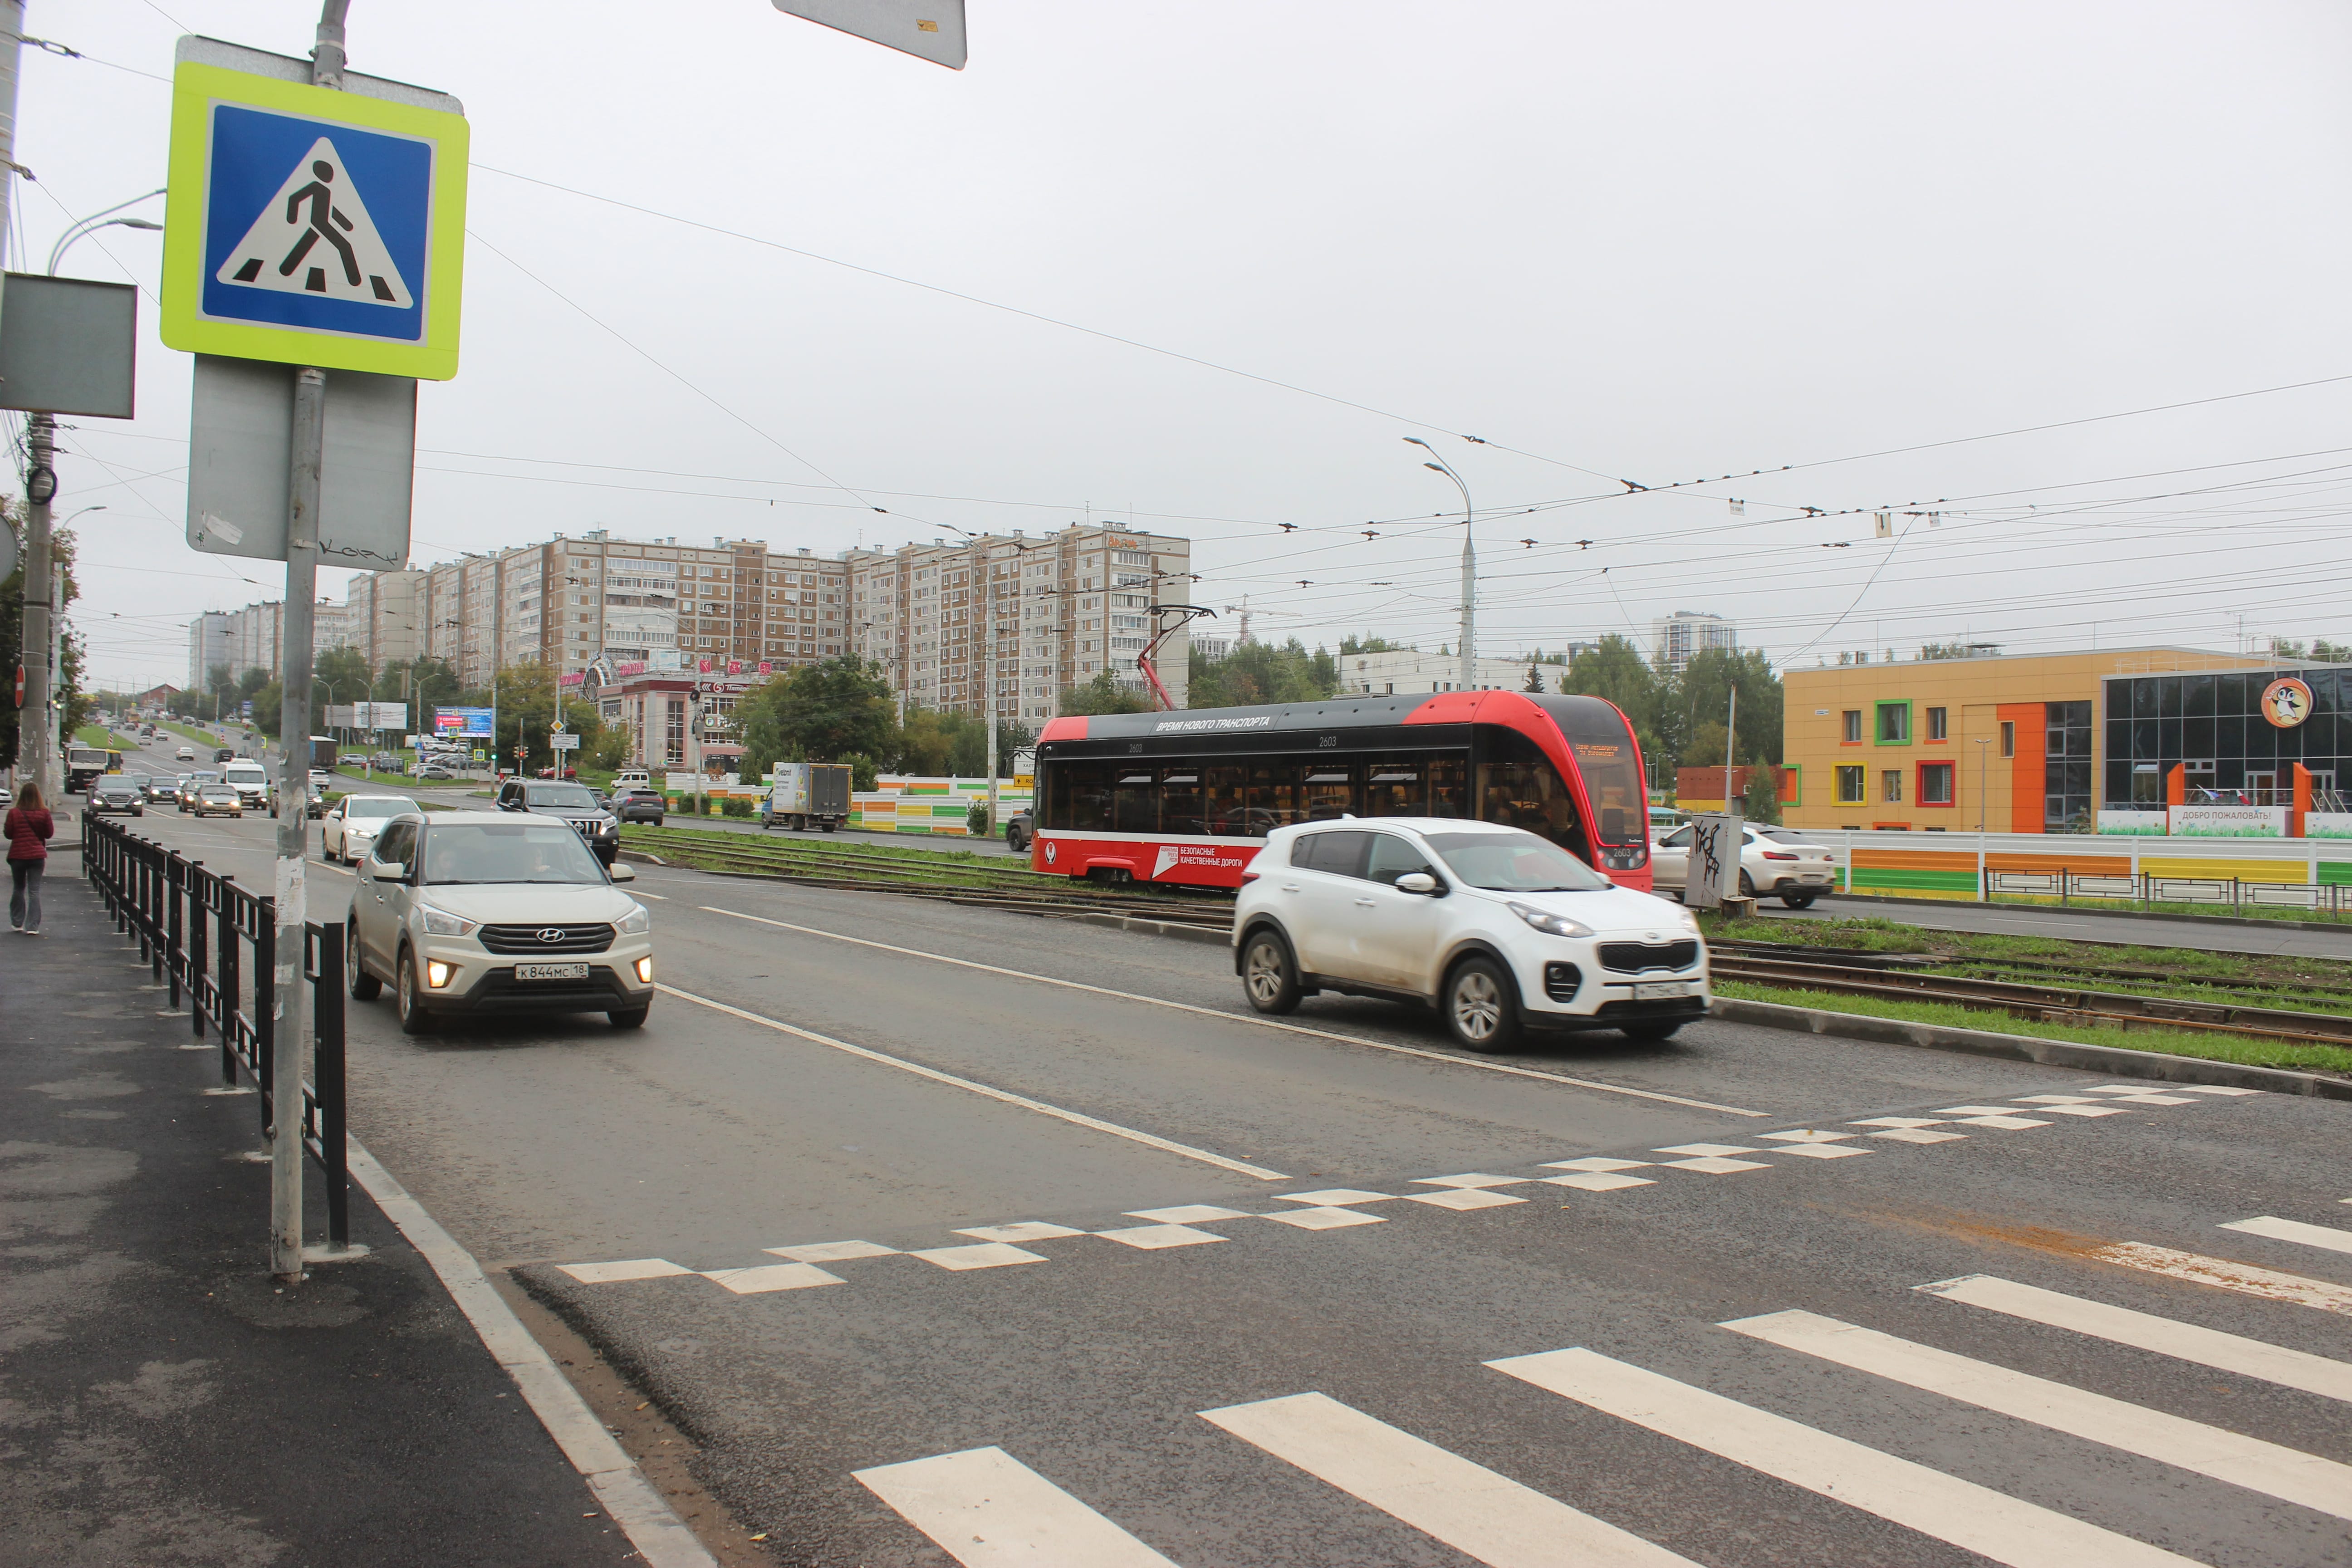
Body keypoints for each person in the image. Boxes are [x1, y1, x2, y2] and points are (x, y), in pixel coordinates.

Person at [6, 781, 54, 935]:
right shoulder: (44, 813)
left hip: (18, 856)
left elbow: (9, 834)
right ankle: (33, 926)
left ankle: (17, 923)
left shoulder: (14, 813)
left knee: (18, 888)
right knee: (35, 891)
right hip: (37, 856)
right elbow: (49, 834)